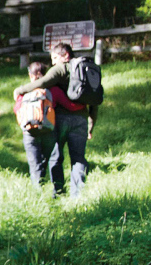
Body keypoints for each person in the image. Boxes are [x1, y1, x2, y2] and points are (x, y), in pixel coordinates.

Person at [13, 43, 97, 196]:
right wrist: (91, 124)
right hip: (81, 120)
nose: (53, 62)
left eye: (55, 57)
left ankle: (58, 191)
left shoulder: (61, 68)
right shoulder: (86, 69)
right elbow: (94, 99)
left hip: (61, 118)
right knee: (78, 158)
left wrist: (21, 90)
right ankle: (77, 196)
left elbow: (42, 82)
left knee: (56, 156)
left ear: (66, 56)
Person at [14, 61, 60, 193]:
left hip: (29, 132)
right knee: (48, 159)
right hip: (48, 131)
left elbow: (17, 109)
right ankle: (53, 189)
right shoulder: (52, 90)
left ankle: (38, 192)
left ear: (30, 75)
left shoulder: (24, 92)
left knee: (34, 163)